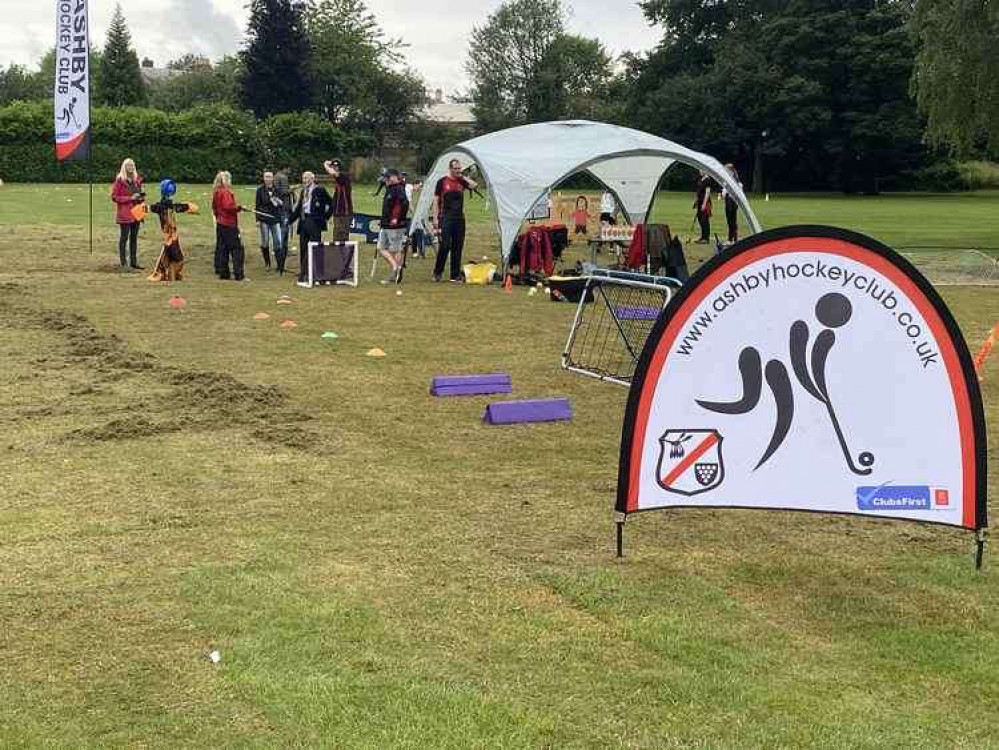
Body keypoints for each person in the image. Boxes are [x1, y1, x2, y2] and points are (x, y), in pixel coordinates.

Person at [432, 158, 477, 282]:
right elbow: (436, 201)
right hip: (445, 217)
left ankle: (455, 274)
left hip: (459, 218)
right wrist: (435, 218)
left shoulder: (461, 181)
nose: (457, 171)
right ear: (450, 168)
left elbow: (474, 185)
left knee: (458, 246)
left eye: (459, 168)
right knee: (445, 245)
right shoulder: (442, 182)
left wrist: (462, 177)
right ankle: (437, 272)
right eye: (455, 169)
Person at [147, 178, 198, 282]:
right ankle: (171, 277)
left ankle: (170, 277)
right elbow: (184, 207)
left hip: (169, 237)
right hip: (171, 238)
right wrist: (189, 207)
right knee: (178, 260)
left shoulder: (160, 206)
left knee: (171, 259)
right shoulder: (169, 206)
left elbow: (149, 208)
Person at [288, 170, 334, 284]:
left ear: (312, 179)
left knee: (315, 247)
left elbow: (332, 203)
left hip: (315, 222)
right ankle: (304, 272)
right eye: (303, 178)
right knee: (303, 247)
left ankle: (317, 272)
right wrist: (289, 220)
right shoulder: (304, 191)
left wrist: (325, 218)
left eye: (307, 178)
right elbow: (299, 208)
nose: (304, 180)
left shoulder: (320, 190)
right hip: (304, 222)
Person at [211, 170, 246, 281]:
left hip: (220, 224)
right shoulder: (225, 192)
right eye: (229, 179)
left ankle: (224, 273)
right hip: (229, 224)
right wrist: (238, 208)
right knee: (237, 249)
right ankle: (239, 274)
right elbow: (228, 206)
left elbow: (215, 208)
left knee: (223, 249)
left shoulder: (216, 192)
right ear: (225, 180)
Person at [377, 169, 410, 284]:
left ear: (393, 177)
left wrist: (396, 219)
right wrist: (383, 220)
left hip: (395, 226)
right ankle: (396, 268)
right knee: (381, 248)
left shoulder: (399, 189)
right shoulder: (389, 189)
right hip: (385, 224)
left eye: (387, 178)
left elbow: (404, 204)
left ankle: (395, 272)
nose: (385, 180)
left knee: (396, 250)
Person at [110, 158, 145, 269]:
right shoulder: (119, 180)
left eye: (132, 165)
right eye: (128, 165)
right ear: (124, 167)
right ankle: (123, 262)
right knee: (124, 237)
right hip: (125, 213)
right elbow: (114, 197)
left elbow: (138, 195)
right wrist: (130, 198)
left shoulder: (136, 180)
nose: (131, 167)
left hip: (136, 213)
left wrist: (141, 197)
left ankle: (133, 262)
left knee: (134, 238)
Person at [255, 171, 284, 270]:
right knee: (265, 241)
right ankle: (267, 263)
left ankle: (280, 265)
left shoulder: (278, 190)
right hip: (264, 219)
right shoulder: (260, 190)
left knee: (278, 241)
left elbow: (282, 204)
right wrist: (258, 220)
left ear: (273, 178)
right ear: (263, 178)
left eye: (270, 177)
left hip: (275, 219)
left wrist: (279, 202)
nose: (268, 179)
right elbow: (257, 206)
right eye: (266, 177)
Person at [322, 159, 352, 242]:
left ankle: (343, 254)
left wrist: (325, 164)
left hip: (344, 212)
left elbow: (333, 173)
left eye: (336, 167)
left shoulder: (343, 176)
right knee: (337, 235)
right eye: (333, 166)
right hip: (337, 212)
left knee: (342, 235)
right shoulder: (338, 182)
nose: (335, 168)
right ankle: (339, 253)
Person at [721, 163, 742, 244]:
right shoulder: (727, 180)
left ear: (731, 172)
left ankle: (732, 239)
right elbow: (723, 193)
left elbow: (738, 191)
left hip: (732, 202)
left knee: (732, 221)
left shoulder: (735, 181)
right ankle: (732, 238)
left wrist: (725, 191)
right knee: (731, 221)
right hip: (728, 201)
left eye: (727, 170)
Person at [693, 171, 713, 244]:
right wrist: (696, 201)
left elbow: (707, 192)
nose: (700, 171)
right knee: (700, 219)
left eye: (702, 170)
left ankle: (706, 238)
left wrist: (704, 204)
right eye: (699, 170)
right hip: (699, 202)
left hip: (706, 202)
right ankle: (702, 237)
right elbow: (697, 190)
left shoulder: (708, 180)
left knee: (704, 220)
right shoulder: (700, 178)